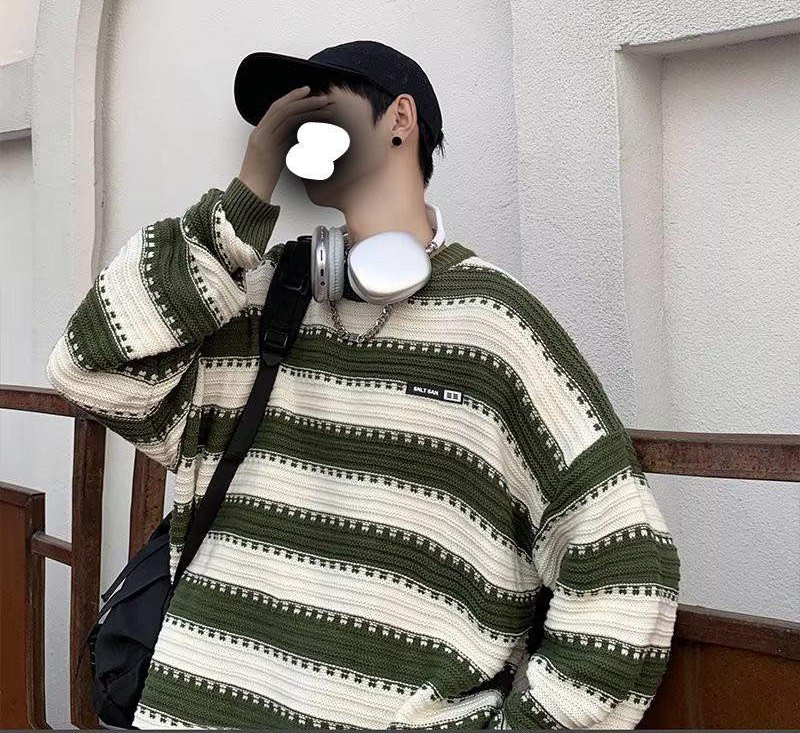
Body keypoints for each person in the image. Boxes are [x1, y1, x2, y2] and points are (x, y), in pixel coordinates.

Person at [46, 40, 680, 729]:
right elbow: (89, 369)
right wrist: (242, 201)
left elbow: (628, 568)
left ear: (399, 120)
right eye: (286, 123)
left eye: (319, 109)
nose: (297, 137)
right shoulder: (254, 298)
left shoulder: (495, 329)